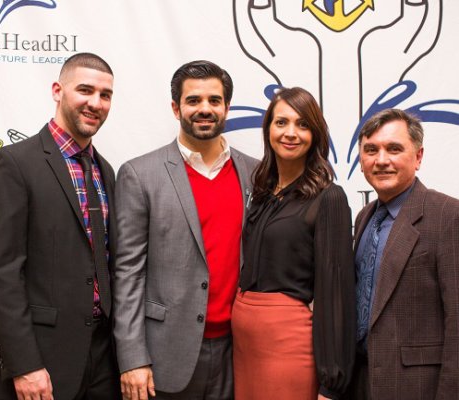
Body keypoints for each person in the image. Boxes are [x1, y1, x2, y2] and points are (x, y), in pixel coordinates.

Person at [0, 52, 121, 400]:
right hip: (42, 361)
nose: (95, 103)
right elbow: (0, 273)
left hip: (104, 359)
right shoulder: (14, 164)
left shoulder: (107, 171)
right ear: (58, 90)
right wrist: (24, 364)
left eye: (105, 95)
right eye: (84, 90)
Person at [113, 60, 257, 400]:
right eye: (193, 101)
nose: (204, 109)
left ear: (227, 107)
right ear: (176, 107)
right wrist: (132, 358)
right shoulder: (139, 174)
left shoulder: (255, 173)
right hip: (165, 356)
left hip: (239, 352)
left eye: (214, 100)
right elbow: (127, 272)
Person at [232, 87, 355, 400]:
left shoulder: (328, 198)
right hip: (245, 346)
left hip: (288, 346)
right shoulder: (260, 192)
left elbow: (336, 292)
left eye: (302, 125)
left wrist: (331, 382)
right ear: (268, 129)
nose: (291, 133)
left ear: (316, 134)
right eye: (281, 122)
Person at [344, 108, 459, 399]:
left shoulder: (448, 215)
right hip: (361, 381)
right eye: (371, 150)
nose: (381, 160)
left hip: (417, 387)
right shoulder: (365, 216)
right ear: (361, 160)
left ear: (418, 157)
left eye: (394, 149)